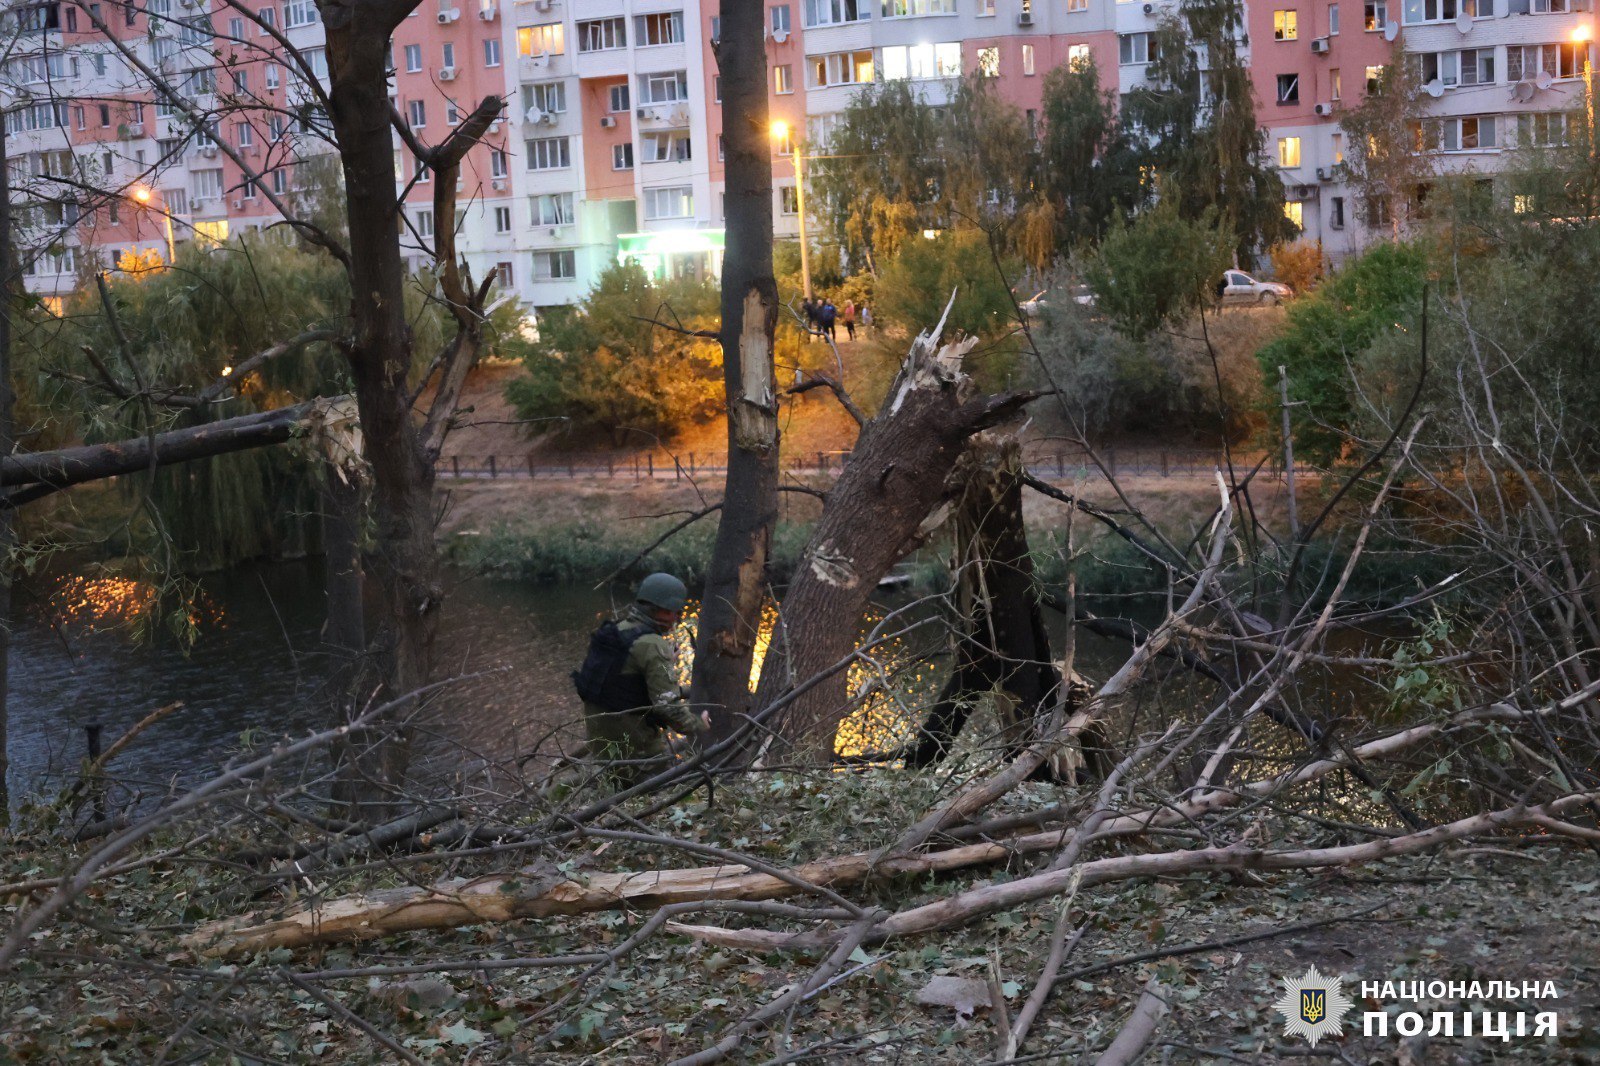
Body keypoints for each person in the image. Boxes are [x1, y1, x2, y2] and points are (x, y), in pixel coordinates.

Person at [573, 572, 709, 786]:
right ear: (662, 610)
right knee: (686, 785)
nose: (677, 618)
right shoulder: (652, 645)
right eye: (676, 612)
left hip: (603, 752)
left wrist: (667, 667)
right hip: (638, 757)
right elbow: (668, 709)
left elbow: (623, 687)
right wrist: (699, 724)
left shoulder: (614, 631)